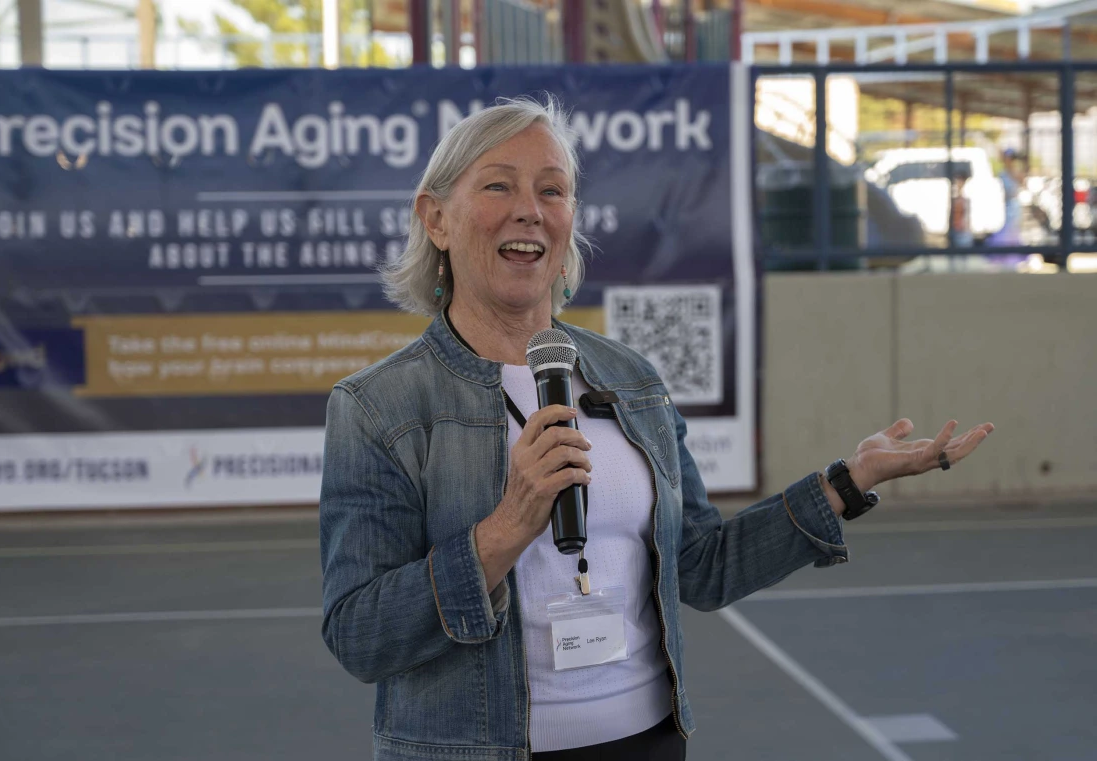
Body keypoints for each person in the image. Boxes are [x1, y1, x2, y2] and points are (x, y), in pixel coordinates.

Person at [318, 95, 995, 761]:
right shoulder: (379, 406)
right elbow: (360, 633)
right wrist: (505, 529)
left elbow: (703, 566)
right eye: (499, 184)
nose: (531, 208)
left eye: (552, 190)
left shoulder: (630, 378)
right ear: (434, 218)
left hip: (646, 740)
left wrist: (847, 482)